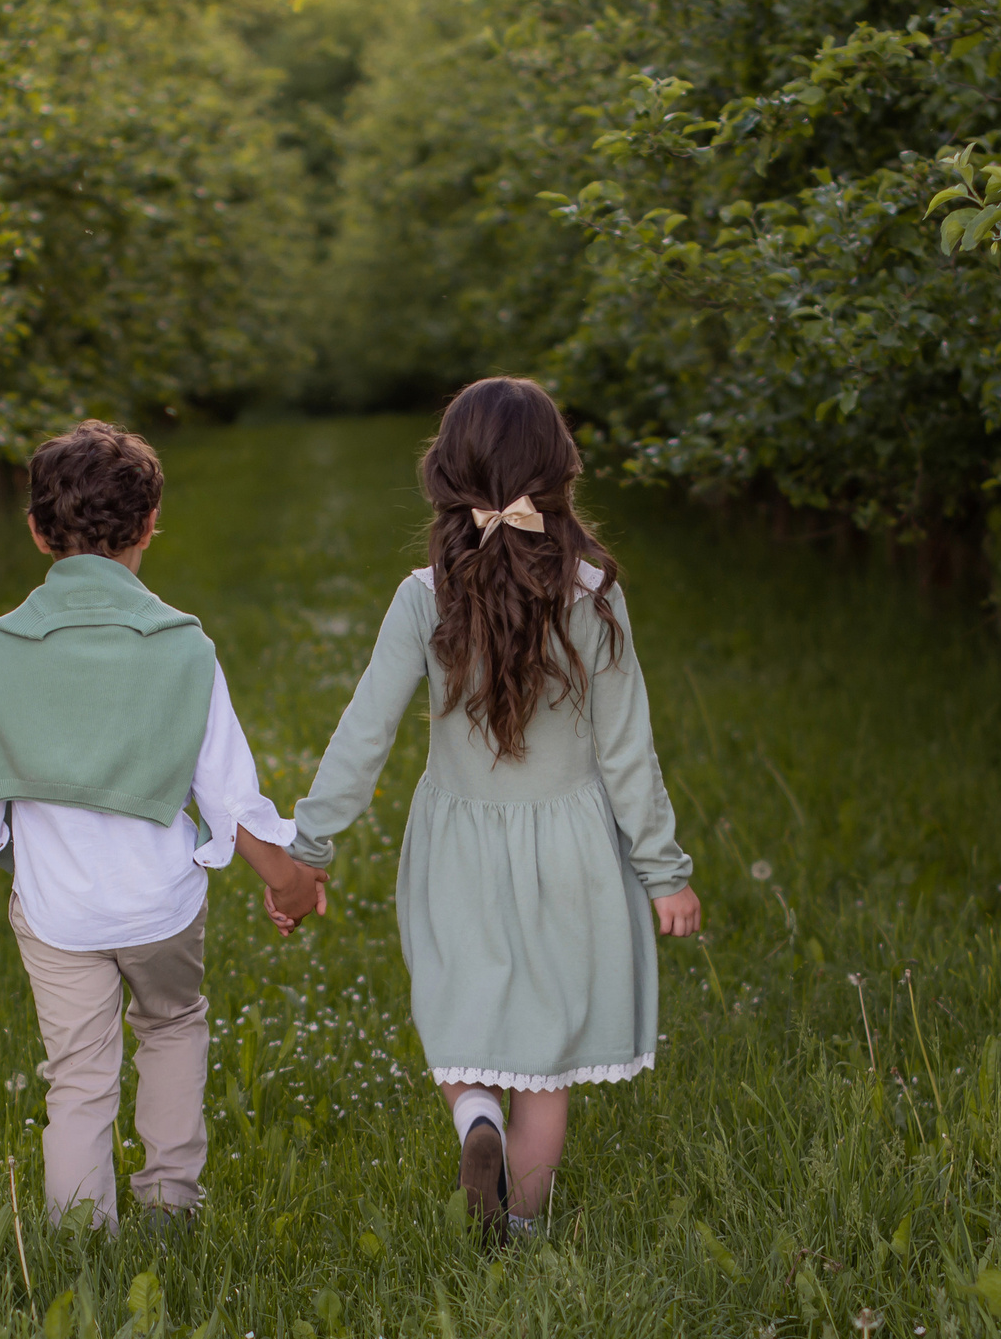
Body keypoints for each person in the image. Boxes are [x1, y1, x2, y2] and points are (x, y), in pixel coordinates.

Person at [275, 377, 700, 1241]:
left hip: (456, 846)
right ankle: (522, 1233)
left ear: (447, 474)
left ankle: (475, 1115)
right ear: (558, 472)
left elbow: (365, 733)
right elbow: (627, 751)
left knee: (458, 1016)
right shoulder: (591, 594)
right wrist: (664, 872)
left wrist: (308, 844)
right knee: (546, 1067)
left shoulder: (422, 595)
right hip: (573, 849)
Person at [0, 420, 326, 1235]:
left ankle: (79, 1236)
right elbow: (229, 795)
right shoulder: (184, 648)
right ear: (148, 529)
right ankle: (170, 1201)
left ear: (37, 532)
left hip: (57, 911)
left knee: (77, 1076)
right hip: (161, 905)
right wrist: (288, 880)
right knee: (173, 1025)